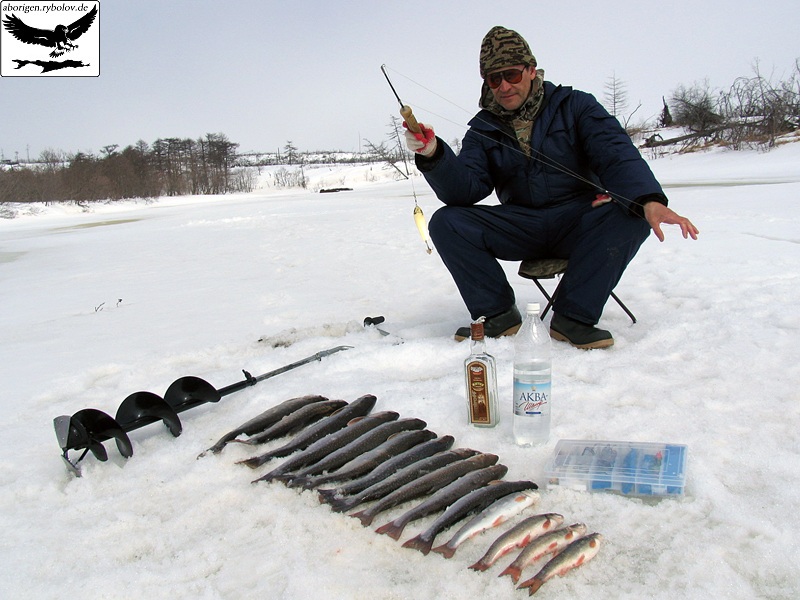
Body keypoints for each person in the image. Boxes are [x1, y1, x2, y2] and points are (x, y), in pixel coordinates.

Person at [405, 25, 699, 349]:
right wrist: (433, 155)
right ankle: (498, 316)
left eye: (512, 75)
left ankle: (574, 318)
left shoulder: (575, 106)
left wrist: (648, 200)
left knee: (631, 213)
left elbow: (614, 154)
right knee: (448, 221)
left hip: (578, 220)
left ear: (531, 70)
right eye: (494, 78)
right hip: (522, 225)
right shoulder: (483, 128)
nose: (503, 86)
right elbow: (465, 191)